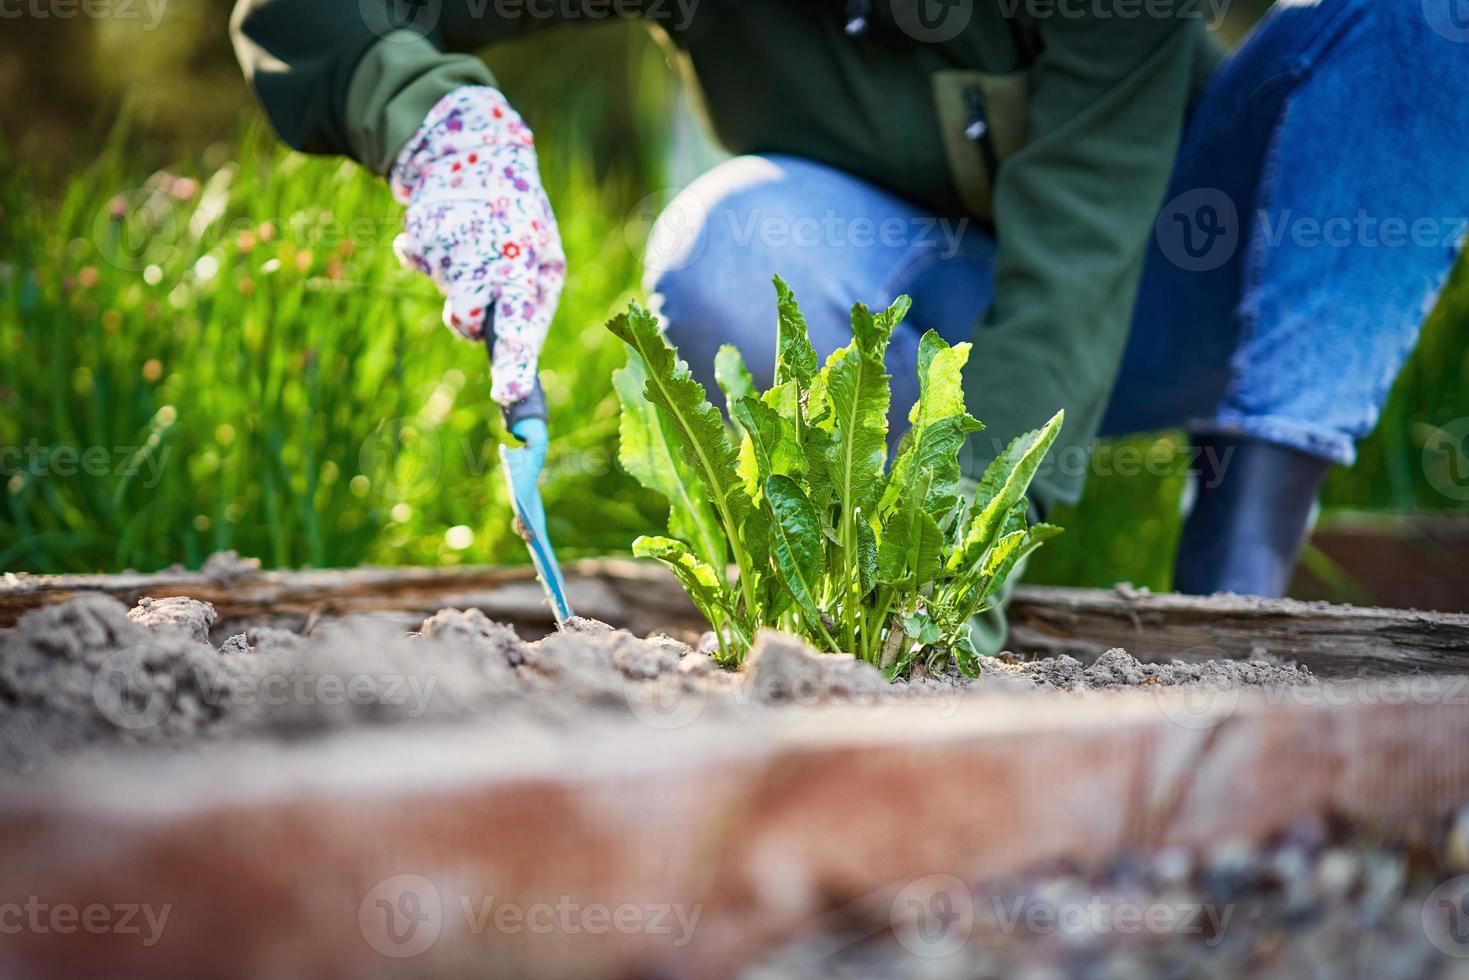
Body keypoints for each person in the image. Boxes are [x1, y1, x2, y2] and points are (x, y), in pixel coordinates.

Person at [233, 0, 1468, 605]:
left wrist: (971, 539)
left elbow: (1072, 268)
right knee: (725, 246)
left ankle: (1237, 572)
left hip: (1175, 293)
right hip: (917, 299)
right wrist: (430, 118)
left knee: (1419, 15)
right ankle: (851, 570)